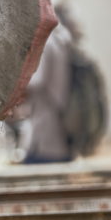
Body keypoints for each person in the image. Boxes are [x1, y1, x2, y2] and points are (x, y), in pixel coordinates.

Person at [19, 22, 73, 164]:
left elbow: (35, 82)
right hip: (57, 133)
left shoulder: (46, 43)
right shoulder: (58, 40)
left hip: (45, 139)